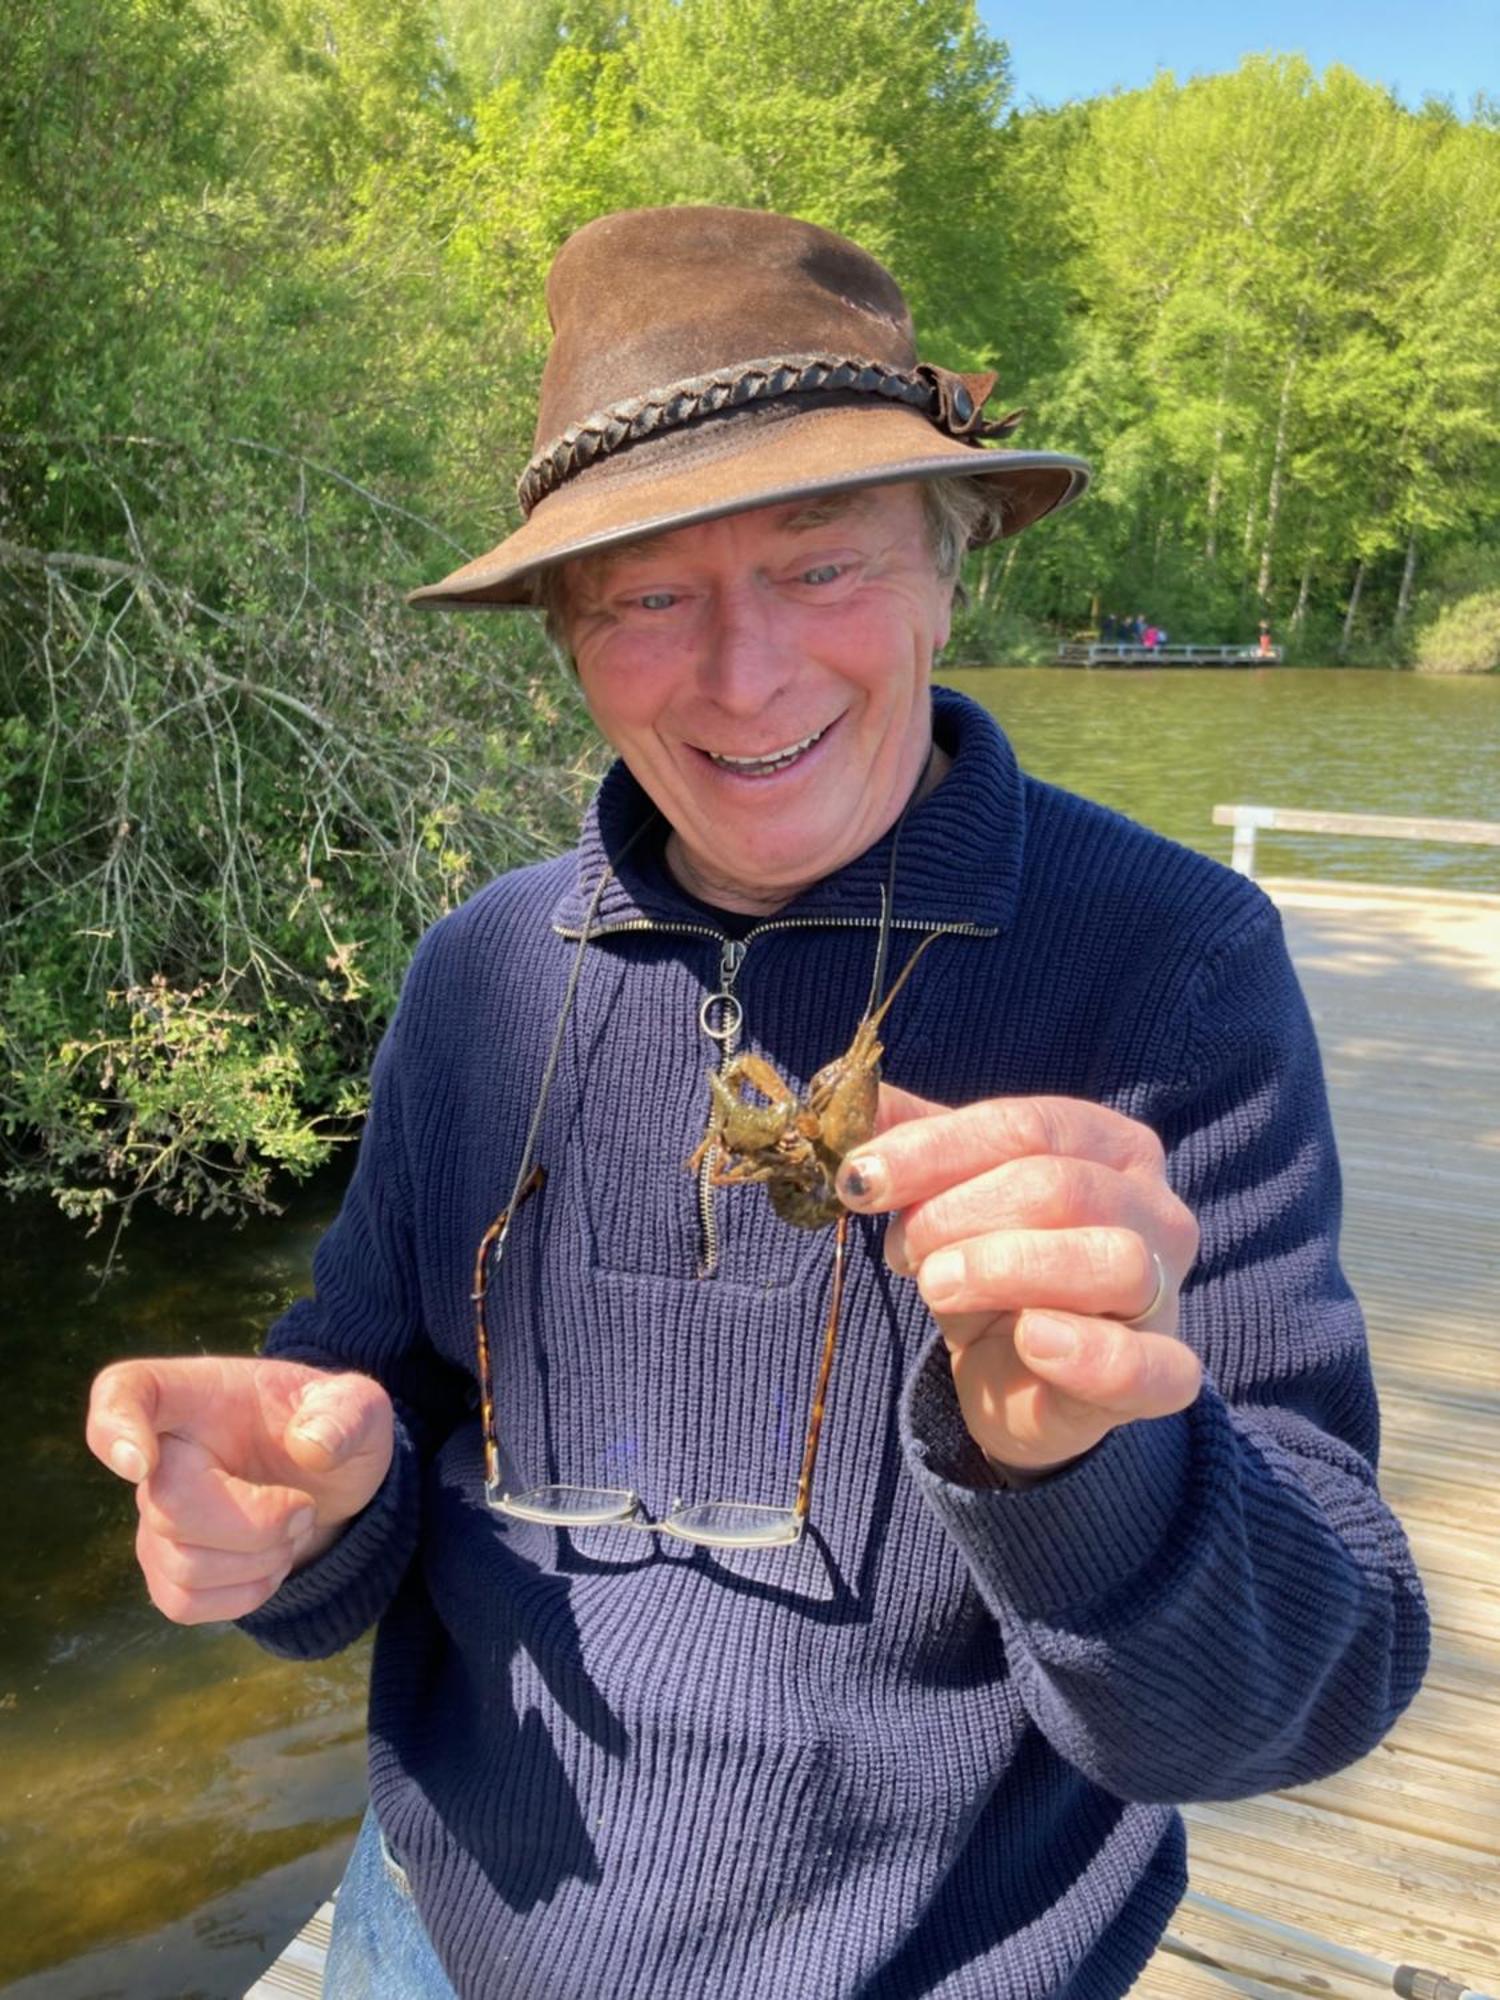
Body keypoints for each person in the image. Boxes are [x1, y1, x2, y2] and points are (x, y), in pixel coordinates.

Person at [86, 206, 1427, 2000]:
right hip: (444, 1930)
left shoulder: (1175, 970)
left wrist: (1083, 1456)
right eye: (647, 592)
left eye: (821, 562)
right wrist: (291, 1512)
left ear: (955, 568)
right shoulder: (480, 974)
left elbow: (1305, 1687)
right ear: (570, 634)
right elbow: (372, 1436)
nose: (742, 671)